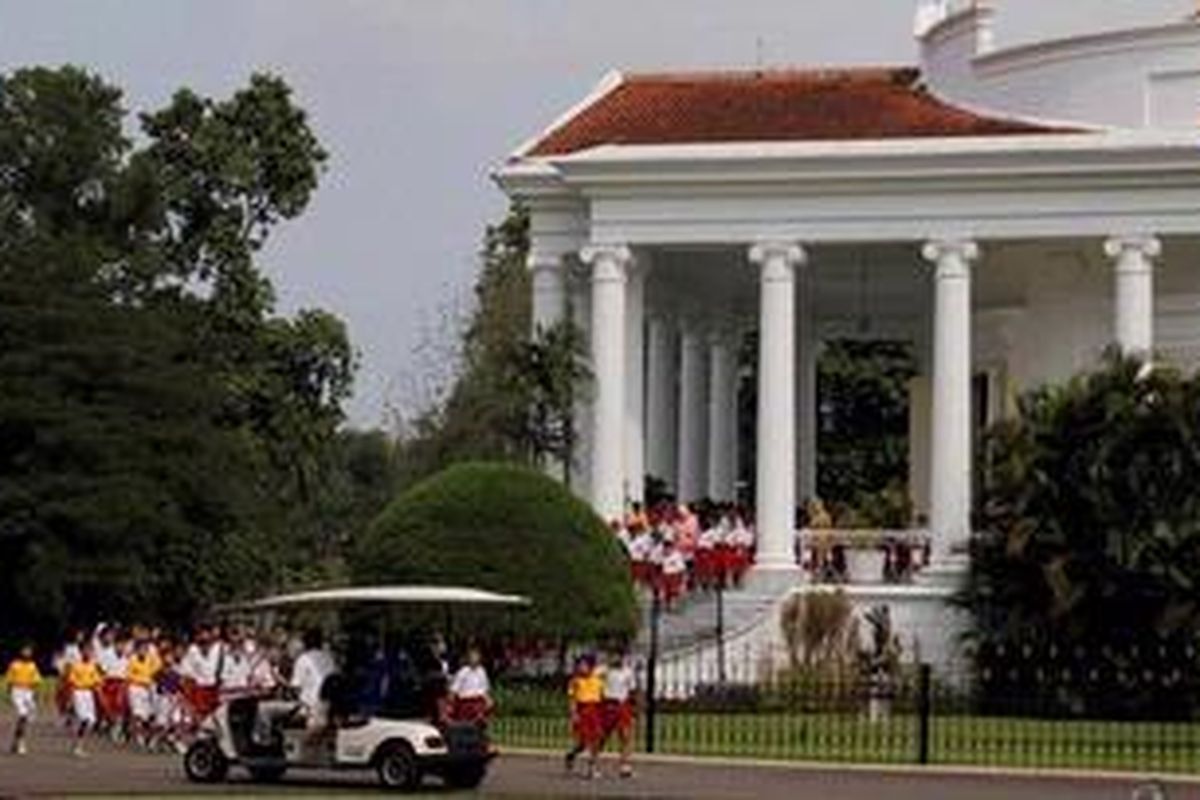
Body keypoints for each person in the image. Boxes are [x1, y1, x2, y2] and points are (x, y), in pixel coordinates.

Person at [564, 654, 604, 779]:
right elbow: (572, 700)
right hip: (583, 711)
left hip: (596, 711)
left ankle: (592, 768)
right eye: (580, 665)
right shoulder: (575, 681)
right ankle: (572, 754)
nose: (581, 668)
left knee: (596, 740)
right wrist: (574, 714)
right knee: (584, 743)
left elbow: (602, 697)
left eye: (584, 665)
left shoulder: (598, 680)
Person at [290, 629, 336, 734]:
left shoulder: (303, 659)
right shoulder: (329, 658)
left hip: (309, 706)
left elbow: (296, 687)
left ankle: (263, 744)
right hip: (327, 705)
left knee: (266, 710)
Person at [601, 650, 636, 778]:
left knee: (625, 735)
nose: (616, 658)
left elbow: (631, 690)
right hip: (609, 704)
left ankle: (625, 765)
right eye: (613, 656)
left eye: (619, 656)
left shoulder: (628, 672)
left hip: (622, 705)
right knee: (603, 735)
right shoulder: (604, 671)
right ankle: (595, 761)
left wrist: (633, 708)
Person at [180, 625, 224, 720]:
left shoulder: (219, 648)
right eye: (201, 634)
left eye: (206, 633)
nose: (204, 636)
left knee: (217, 716)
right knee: (201, 716)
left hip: (215, 688)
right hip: (199, 689)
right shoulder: (193, 650)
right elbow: (186, 670)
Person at [67, 644, 104, 757]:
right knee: (84, 718)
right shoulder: (76, 666)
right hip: (79, 692)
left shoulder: (92, 666)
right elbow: (72, 683)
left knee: (91, 721)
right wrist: (71, 698)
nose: (88, 653)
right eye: (85, 650)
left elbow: (97, 682)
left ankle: (78, 741)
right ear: (81, 652)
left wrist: (100, 695)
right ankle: (78, 746)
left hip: (89, 694)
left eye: (90, 651)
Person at [5, 644, 42, 755]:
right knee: (22, 714)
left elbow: (36, 681)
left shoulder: (32, 666)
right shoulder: (14, 665)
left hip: (28, 692)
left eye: (29, 651)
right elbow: (9, 680)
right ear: (21, 651)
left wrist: (36, 694)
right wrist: (8, 694)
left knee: (26, 719)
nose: (27, 653)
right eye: (25, 650)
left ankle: (15, 741)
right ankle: (21, 743)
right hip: (17, 691)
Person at [125, 639, 159, 748]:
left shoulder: (151, 660)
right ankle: (139, 736)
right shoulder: (132, 660)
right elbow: (129, 676)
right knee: (137, 714)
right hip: (135, 688)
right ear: (136, 649)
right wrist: (141, 681)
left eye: (145, 649)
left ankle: (134, 732)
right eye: (141, 649)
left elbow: (155, 672)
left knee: (147, 715)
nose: (143, 651)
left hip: (148, 689)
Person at [448, 646, 493, 725]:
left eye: (476, 657)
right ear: (468, 659)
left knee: (481, 718)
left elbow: (484, 689)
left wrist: (488, 699)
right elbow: (454, 689)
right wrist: (450, 704)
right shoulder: (463, 672)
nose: (474, 659)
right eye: (472, 657)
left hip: (478, 701)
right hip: (465, 702)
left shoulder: (482, 671)